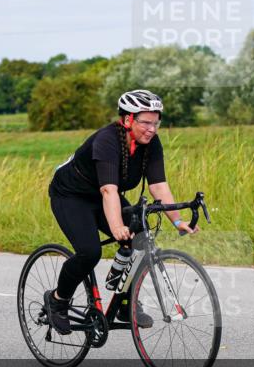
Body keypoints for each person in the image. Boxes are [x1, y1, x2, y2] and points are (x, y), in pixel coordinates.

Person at [44, 89, 198, 334]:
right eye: (145, 122)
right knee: (89, 252)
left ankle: (126, 303)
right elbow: (108, 190)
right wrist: (117, 227)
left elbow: (158, 185)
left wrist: (178, 221)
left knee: (140, 241)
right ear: (127, 119)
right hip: (71, 196)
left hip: (106, 196)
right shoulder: (107, 141)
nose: (152, 129)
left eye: (156, 123)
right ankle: (57, 300)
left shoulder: (151, 143)